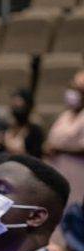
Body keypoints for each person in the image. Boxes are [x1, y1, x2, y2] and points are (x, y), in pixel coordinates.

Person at [44, 69, 84, 207]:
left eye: (77, 90)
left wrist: (61, 150)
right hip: (58, 168)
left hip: (77, 171)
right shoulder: (65, 115)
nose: (72, 93)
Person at [0, 89, 44, 159]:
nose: (15, 107)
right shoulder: (4, 128)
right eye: (14, 105)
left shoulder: (35, 132)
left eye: (19, 106)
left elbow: (36, 157)